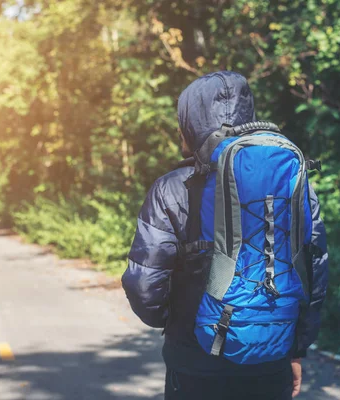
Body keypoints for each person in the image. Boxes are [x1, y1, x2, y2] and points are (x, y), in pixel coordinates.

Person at [122, 71, 328, 400]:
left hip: (195, 364)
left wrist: (176, 325)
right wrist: (296, 348)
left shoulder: (172, 188)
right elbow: (314, 273)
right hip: (272, 357)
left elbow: (144, 285)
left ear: (191, 124)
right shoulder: (291, 181)